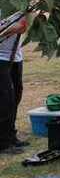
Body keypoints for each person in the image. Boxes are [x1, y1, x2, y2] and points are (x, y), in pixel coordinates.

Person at [0, 13, 29, 154]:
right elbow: (18, 27)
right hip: (1, 58)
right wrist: (12, 29)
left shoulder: (20, 6)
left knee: (15, 97)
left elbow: (24, 26)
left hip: (15, 56)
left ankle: (11, 136)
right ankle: (3, 142)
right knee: (5, 100)